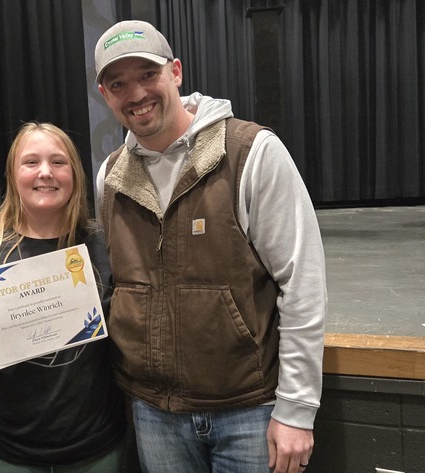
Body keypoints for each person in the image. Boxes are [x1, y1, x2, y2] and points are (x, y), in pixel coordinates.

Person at [92, 20, 327, 473]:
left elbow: (302, 282)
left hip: (249, 411)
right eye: (118, 83)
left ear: (175, 72)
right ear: (106, 96)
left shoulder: (250, 151)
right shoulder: (110, 176)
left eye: (147, 74)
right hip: (154, 414)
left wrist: (297, 409)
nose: (135, 93)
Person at [0, 122, 128, 472]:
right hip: (5, 451)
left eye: (58, 162)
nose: (45, 172)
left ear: (75, 174)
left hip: (97, 448)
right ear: (12, 175)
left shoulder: (104, 246)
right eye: (31, 162)